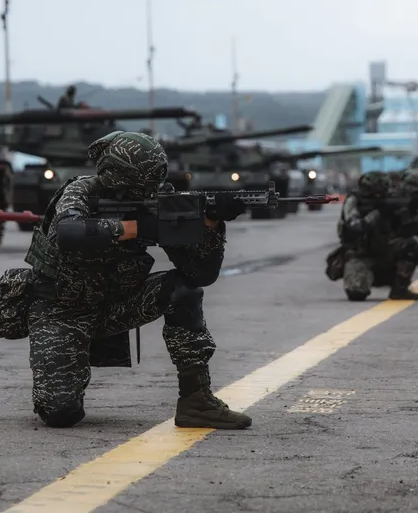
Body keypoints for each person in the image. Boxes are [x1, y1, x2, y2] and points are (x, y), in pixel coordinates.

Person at [17, 130, 250, 429]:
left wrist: (211, 225)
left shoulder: (155, 202)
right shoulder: (81, 191)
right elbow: (69, 232)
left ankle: (197, 400)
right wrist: (135, 228)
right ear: (117, 175)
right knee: (61, 414)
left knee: (183, 290)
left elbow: (200, 274)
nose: (149, 192)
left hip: (114, 307)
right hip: (62, 310)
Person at [335, 170, 418, 302]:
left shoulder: (393, 200)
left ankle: (400, 288)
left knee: (413, 244)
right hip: (361, 253)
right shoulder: (354, 200)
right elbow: (356, 227)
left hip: (385, 250)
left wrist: (407, 213)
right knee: (357, 293)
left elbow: (409, 230)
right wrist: (378, 213)